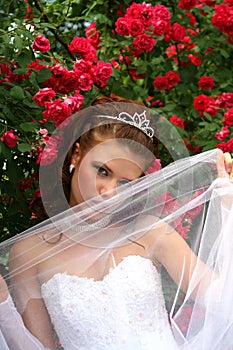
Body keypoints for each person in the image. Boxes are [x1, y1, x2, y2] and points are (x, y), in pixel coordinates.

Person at [0, 95, 232, 350]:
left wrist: (229, 205)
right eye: (102, 171)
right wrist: (3, 306)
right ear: (76, 155)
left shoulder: (150, 233)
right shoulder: (29, 253)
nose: (110, 192)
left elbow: (223, 300)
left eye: (124, 183)